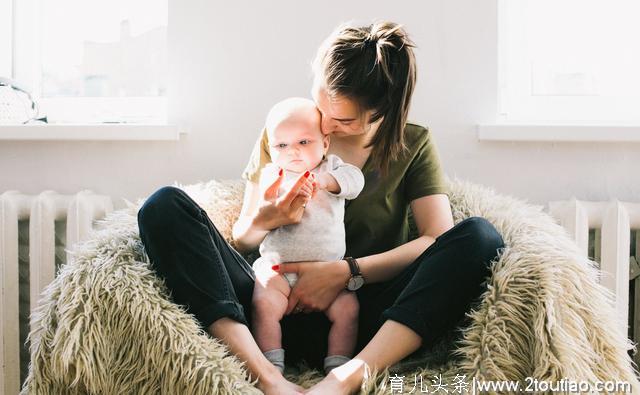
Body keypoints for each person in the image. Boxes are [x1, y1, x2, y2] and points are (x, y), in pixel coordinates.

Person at [137, 20, 505, 395]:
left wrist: (345, 273)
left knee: (480, 237)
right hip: (268, 303)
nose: (325, 124)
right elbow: (243, 241)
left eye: (343, 120)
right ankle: (264, 375)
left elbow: (435, 239)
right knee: (163, 207)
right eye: (321, 102)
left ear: (381, 112)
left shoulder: (413, 143)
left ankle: (346, 378)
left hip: (359, 317)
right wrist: (266, 219)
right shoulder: (288, 129)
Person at [251, 97, 364, 376]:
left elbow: (355, 181)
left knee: (349, 310)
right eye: (282, 145)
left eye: (304, 142)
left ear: (325, 143)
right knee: (262, 305)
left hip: (329, 272)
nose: (293, 152)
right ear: (270, 148)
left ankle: (337, 368)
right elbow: (262, 205)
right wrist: (275, 191)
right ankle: (271, 367)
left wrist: (327, 181)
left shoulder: (331, 169)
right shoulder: (272, 174)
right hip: (279, 271)